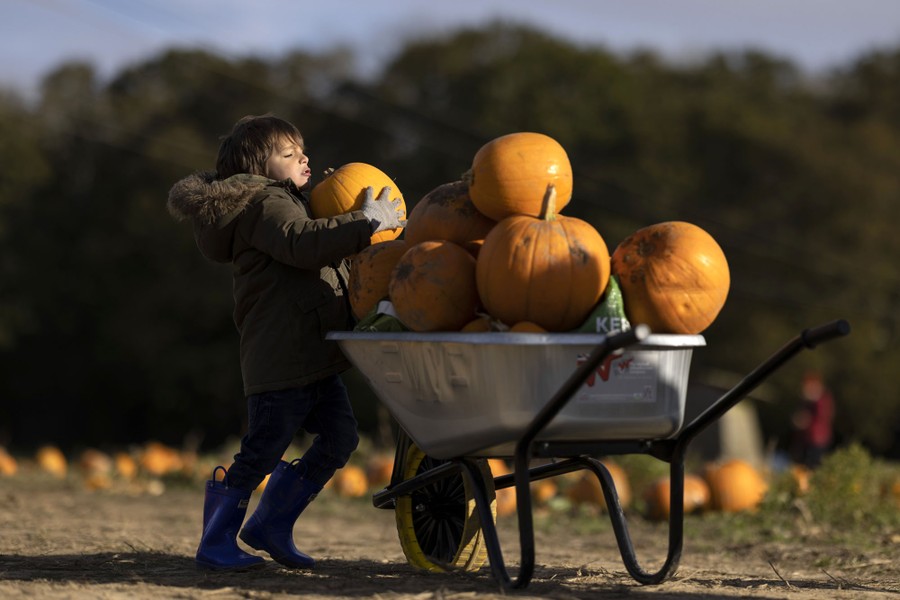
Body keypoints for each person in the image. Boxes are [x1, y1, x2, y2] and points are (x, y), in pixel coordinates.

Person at [166, 114, 405, 570]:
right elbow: (301, 244)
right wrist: (365, 221)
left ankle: (270, 525)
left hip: (312, 354)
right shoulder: (264, 203)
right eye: (290, 154)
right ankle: (215, 541)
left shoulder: (288, 200)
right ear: (259, 166)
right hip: (281, 357)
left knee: (340, 438)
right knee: (263, 449)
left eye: (303, 151)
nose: (305, 159)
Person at [790, 370, 835, 469]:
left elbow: (822, 417)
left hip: (817, 439)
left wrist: (804, 421)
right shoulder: (807, 401)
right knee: (803, 466)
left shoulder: (820, 399)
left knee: (813, 466)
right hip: (807, 439)